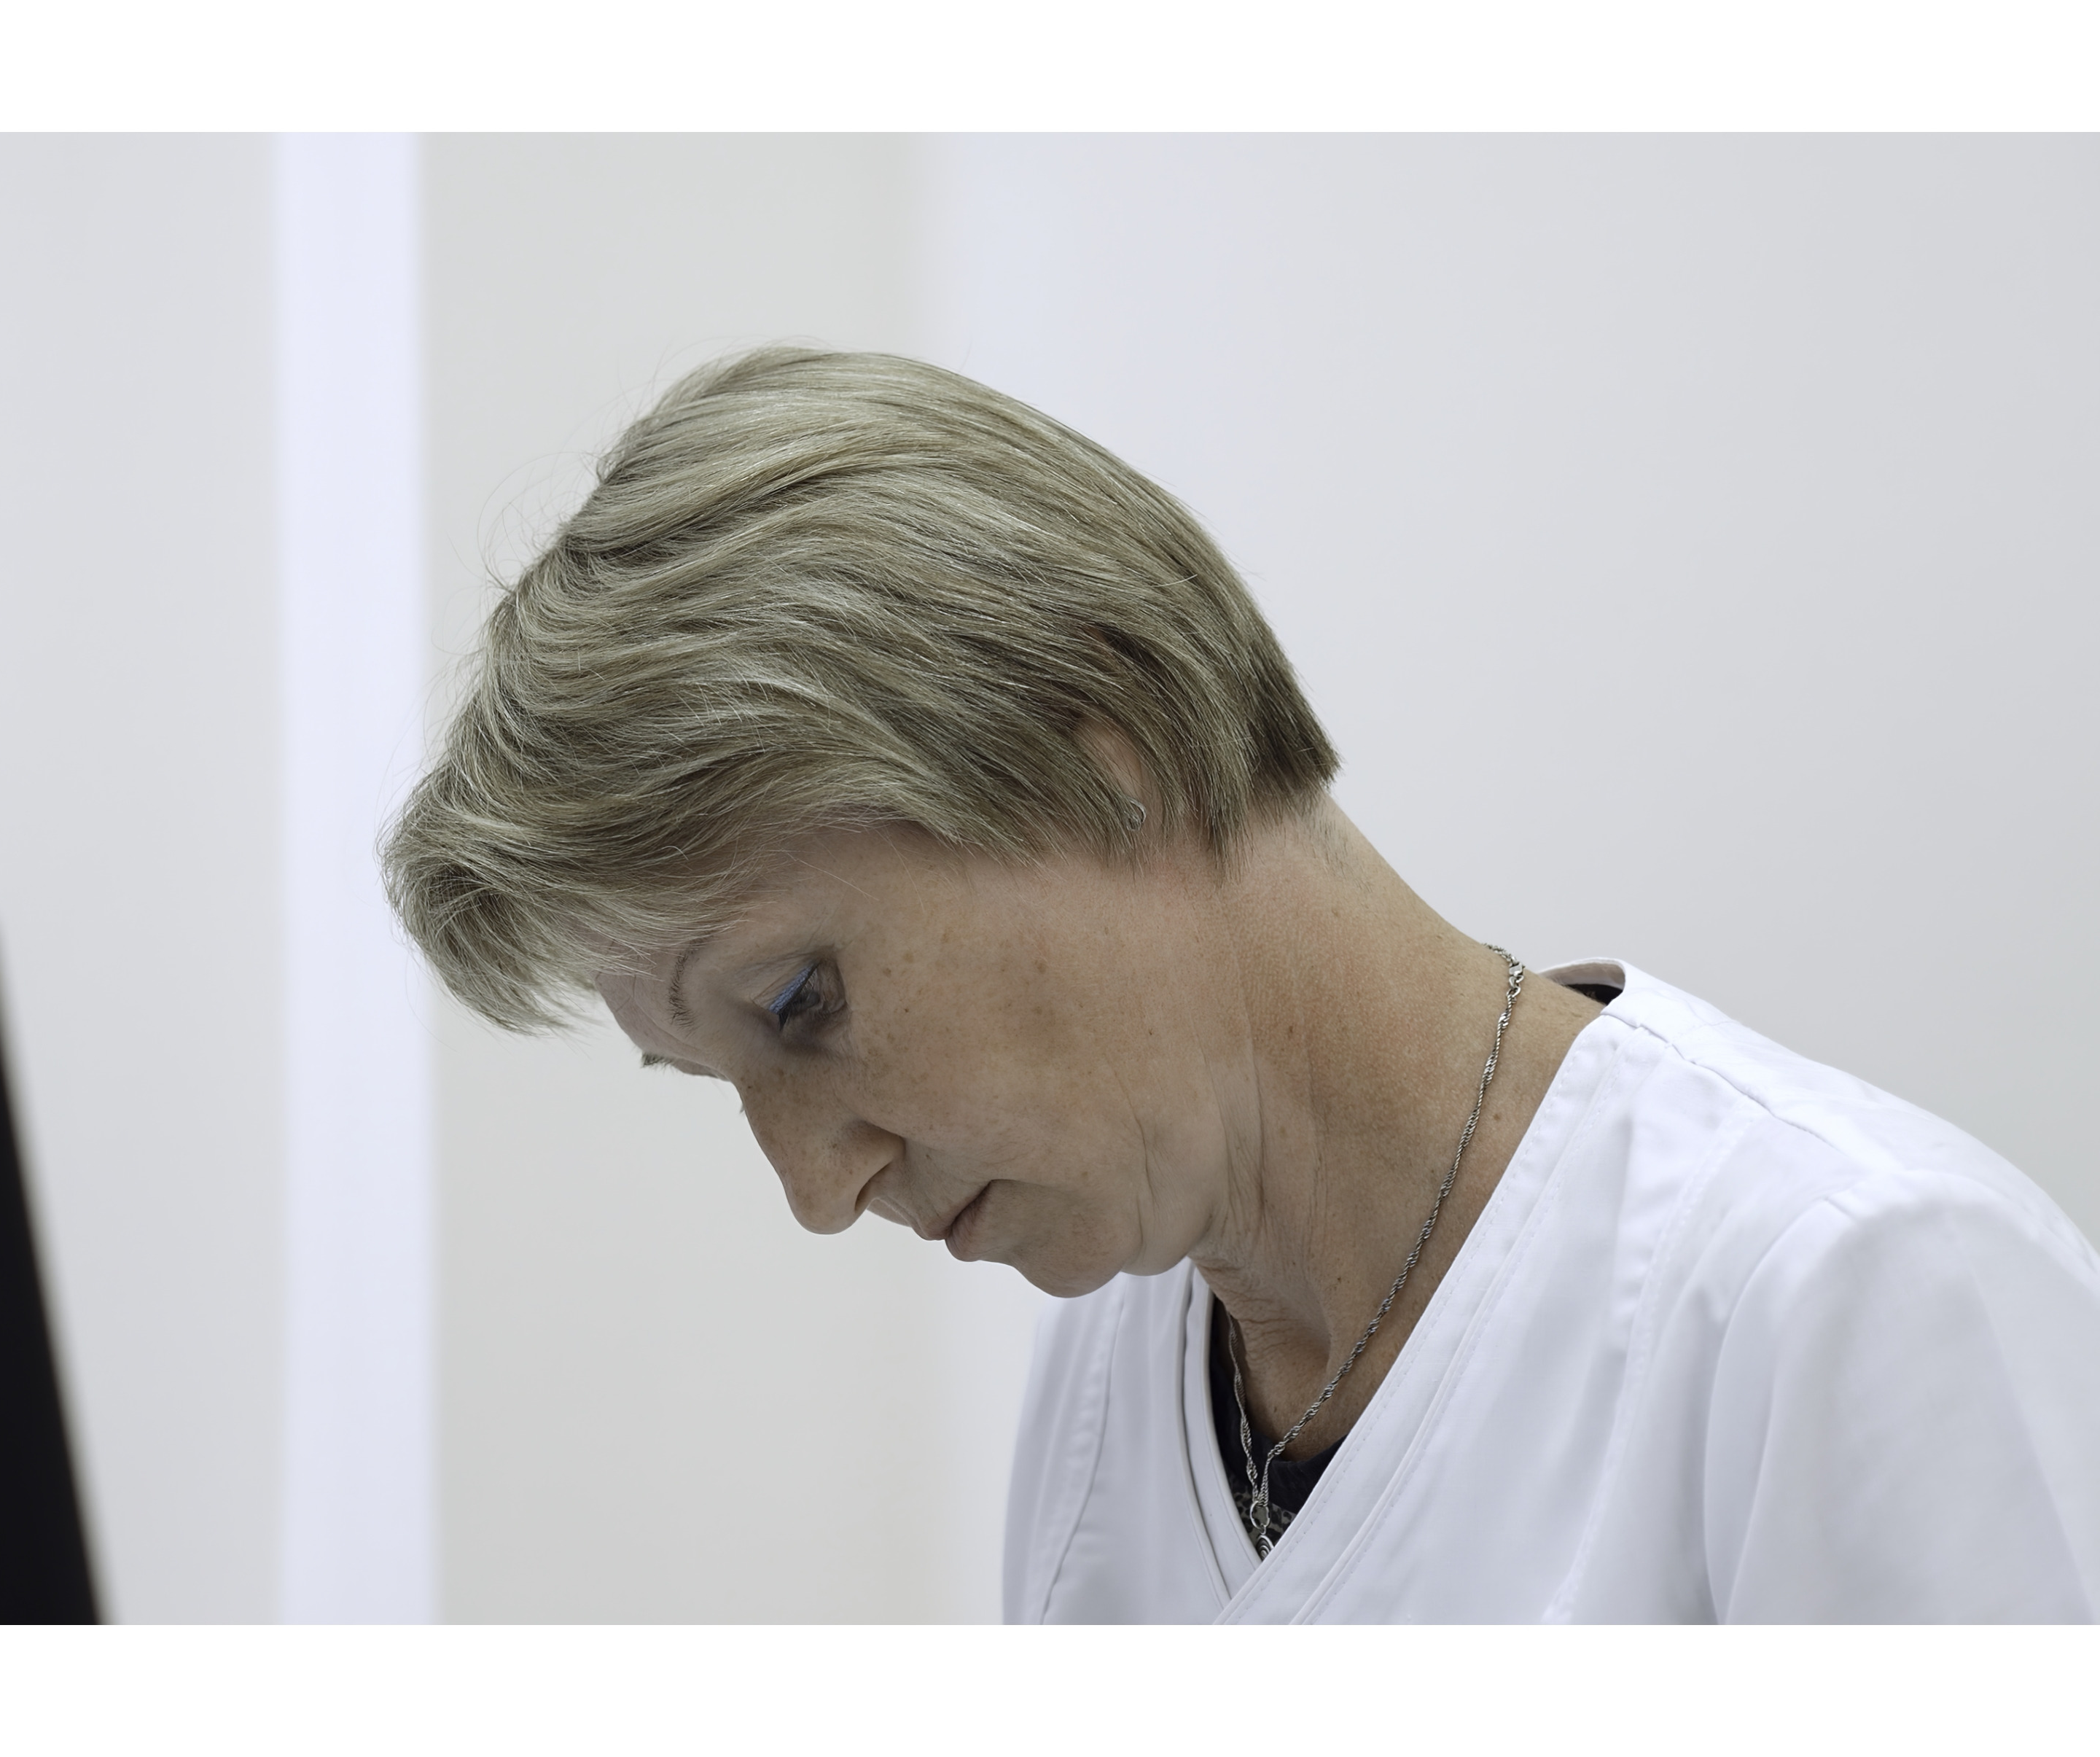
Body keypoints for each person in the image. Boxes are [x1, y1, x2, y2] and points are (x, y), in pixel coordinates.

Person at [381, 347, 2100, 1621]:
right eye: (726, 1083)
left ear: (1091, 742)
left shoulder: (1847, 1295)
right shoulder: (1122, 1359)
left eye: (795, 1005)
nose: (816, 1187)